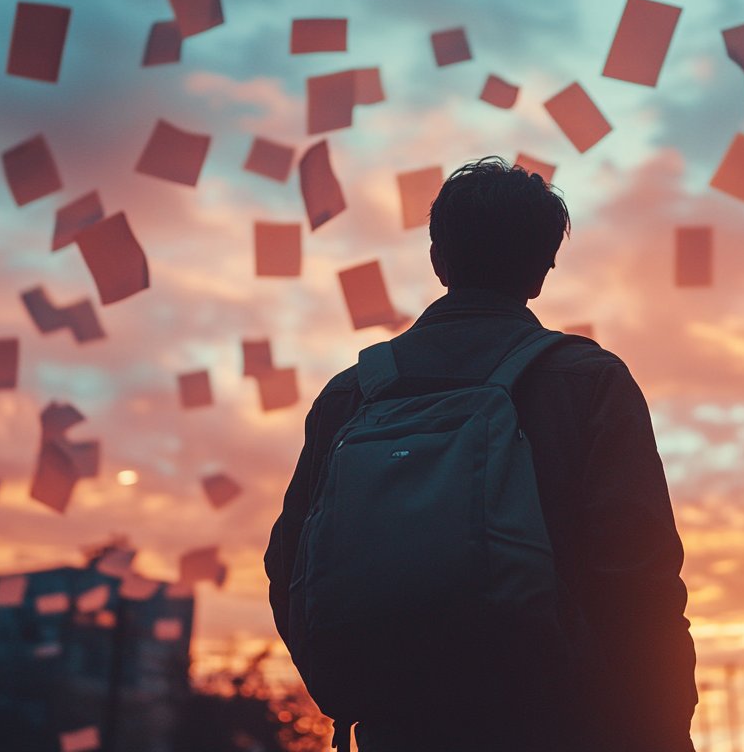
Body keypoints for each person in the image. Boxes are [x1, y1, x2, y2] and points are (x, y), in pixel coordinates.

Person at [264, 157, 697, 752]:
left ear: (438, 257)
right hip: (565, 721)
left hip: (400, 727)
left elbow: (288, 564)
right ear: (543, 267)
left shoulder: (352, 393)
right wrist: (661, 723)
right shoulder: (588, 379)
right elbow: (640, 575)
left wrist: (361, 689)